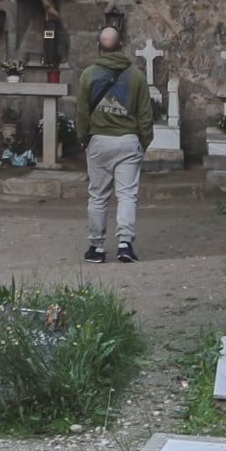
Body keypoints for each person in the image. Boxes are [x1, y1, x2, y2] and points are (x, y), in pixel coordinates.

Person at [68, 16, 151, 265]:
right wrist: (143, 142)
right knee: (127, 195)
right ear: (121, 44)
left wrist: (84, 139)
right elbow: (146, 113)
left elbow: (81, 112)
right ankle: (125, 245)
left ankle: (97, 247)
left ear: (98, 46)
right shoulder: (136, 76)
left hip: (99, 141)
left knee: (98, 196)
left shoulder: (88, 75)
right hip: (128, 140)